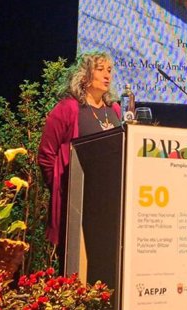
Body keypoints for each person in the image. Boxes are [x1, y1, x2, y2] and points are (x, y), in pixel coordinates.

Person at [38, 51, 122, 263]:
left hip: (110, 203)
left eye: (109, 71)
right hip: (78, 202)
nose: (107, 76)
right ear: (84, 75)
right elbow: (46, 155)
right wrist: (63, 187)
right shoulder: (67, 109)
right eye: (100, 69)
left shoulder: (115, 109)